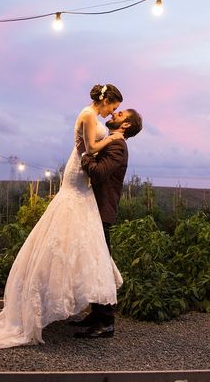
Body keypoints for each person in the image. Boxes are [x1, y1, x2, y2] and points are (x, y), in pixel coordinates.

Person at [0, 84, 126, 349]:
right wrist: (111, 139)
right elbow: (89, 147)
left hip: (79, 178)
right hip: (78, 175)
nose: (115, 111)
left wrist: (109, 142)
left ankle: (96, 313)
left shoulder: (93, 117)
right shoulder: (89, 115)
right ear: (107, 100)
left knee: (83, 241)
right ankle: (94, 314)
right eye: (114, 106)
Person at [71, 108, 143, 339]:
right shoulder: (111, 142)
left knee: (100, 265)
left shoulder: (118, 147)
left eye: (120, 114)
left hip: (101, 212)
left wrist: (84, 157)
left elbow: (99, 174)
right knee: (94, 263)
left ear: (126, 125)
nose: (114, 114)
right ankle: (97, 314)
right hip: (93, 210)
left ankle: (106, 322)